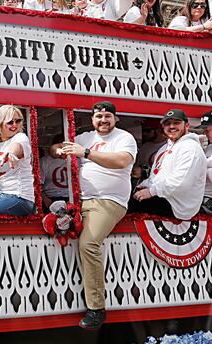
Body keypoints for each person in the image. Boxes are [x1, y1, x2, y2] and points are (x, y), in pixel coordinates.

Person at [59, 101, 136, 330]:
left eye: (107, 116)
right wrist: (59, 149)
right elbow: (60, 147)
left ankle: (96, 309)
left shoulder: (124, 138)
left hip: (109, 201)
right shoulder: (84, 137)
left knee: (89, 244)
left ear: (115, 119)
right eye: (99, 116)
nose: (103, 120)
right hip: (80, 201)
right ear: (92, 119)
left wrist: (86, 153)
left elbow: (121, 161)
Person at [130, 109, 206, 220]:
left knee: (125, 206)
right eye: (167, 123)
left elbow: (181, 182)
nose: (171, 126)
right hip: (165, 196)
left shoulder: (190, 148)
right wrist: (145, 184)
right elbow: (157, 175)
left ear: (187, 125)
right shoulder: (165, 148)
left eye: (176, 123)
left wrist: (151, 191)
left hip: (178, 206)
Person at [40, 134, 70, 210]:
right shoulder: (45, 161)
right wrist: (45, 200)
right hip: (51, 198)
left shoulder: (74, 160)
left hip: (71, 197)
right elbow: (37, 185)